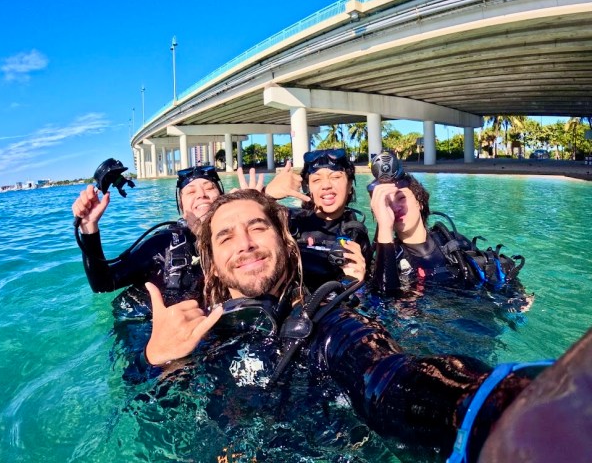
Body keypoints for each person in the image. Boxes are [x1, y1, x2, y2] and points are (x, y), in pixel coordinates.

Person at [142, 189, 562, 462]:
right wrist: (160, 364)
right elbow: (157, 433)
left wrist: (501, 405)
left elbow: (389, 378)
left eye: (257, 227)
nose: (246, 243)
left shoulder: (328, 322)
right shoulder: (190, 335)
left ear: (285, 242)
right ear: (211, 263)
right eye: (226, 237)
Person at [368, 152, 527, 299]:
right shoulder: (385, 259)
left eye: (401, 198)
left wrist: (516, 293)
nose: (395, 208)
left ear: (419, 202)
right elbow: (383, 302)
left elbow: (490, 272)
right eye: (387, 204)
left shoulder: (451, 242)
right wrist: (384, 229)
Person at [71, 164, 224, 306]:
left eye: (210, 188)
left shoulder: (240, 240)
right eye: (191, 191)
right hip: (146, 323)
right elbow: (103, 284)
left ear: (223, 199)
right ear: (182, 208)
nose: (202, 195)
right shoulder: (161, 245)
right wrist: (89, 226)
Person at [237, 150, 370, 289]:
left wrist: (356, 285)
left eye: (335, 177)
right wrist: (261, 196)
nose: (326, 186)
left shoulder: (355, 234)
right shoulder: (286, 220)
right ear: (307, 187)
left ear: (349, 186)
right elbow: (239, 234)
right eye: (316, 180)